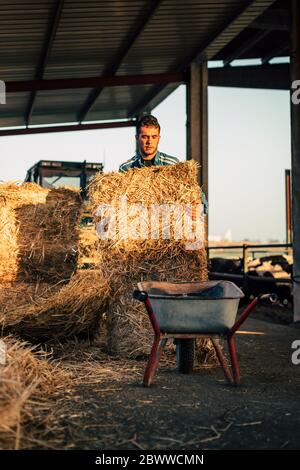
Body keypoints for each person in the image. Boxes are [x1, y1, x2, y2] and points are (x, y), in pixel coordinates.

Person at [119, 114, 208, 214]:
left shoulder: (172, 165)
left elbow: (199, 196)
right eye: (145, 137)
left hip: (167, 224)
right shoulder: (126, 168)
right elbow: (116, 202)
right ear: (137, 138)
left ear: (159, 138)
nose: (149, 141)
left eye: (154, 137)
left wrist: (198, 207)